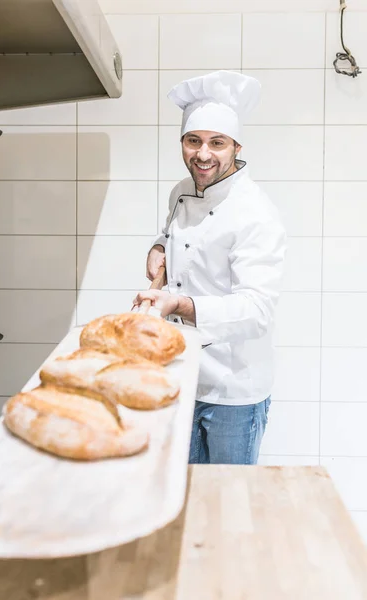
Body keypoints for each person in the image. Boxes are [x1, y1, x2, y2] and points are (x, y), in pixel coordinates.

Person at [133, 71, 286, 465]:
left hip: (233, 387)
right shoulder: (181, 191)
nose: (203, 155)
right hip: (182, 372)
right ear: (182, 143)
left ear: (236, 146)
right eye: (193, 141)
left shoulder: (255, 212)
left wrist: (178, 305)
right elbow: (173, 233)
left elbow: (257, 310)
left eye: (217, 143)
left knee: (228, 503)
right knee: (180, 492)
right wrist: (157, 247)